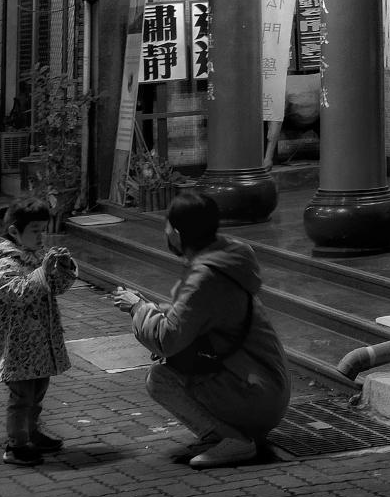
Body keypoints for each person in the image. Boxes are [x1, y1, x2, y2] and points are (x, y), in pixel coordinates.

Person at [111, 190, 290, 469]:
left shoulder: (205, 277)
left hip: (255, 394)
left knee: (160, 379)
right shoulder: (228, 257)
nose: (165, 231)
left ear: (178, 234)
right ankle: (224, 435)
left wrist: (138, 308)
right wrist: (151, 307)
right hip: (265, 386)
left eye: (168, 225)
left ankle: (233, 440)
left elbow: (168, 339)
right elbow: (193, 317)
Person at [0, 196, 78, 467]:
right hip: (18, 344)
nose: (41, 237)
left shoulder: (36, 256)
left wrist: (64, 268)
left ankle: (31, 432)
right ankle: (16, 444)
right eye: (35, 231)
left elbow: (55, 287)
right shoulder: (5, 264)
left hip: (40, 341)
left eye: (42, 230)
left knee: (37, 390)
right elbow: (18, 293)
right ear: (15, 231)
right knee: (22, 395)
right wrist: (42, 273)